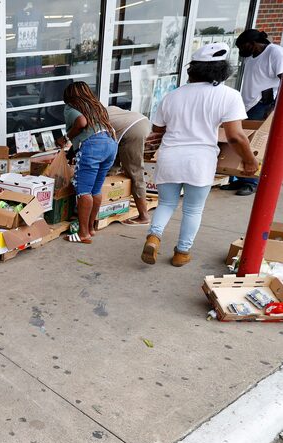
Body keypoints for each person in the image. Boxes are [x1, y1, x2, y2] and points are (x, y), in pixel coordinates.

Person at [142, 42, 258, 267]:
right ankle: (181, 253)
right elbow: (235, 136)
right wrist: (249, 160)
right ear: (223, 70)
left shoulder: (172, 96)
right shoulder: (229, 96)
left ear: (192, 70)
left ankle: (154, 237)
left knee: (166, 203)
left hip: (170, 156)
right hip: (200, 160)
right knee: (193, 209)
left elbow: (157, 131)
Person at [56, 82, 118, 243]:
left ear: (69, 96)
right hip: (110, 145)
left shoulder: (71, 107)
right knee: (95, 189)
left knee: (84, 191)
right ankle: (90, 228)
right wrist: (72, 151)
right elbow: (89, 130)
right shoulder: (96, 106)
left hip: (92, 148)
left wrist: (65, 138)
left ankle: (83, 233)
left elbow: (82, 124)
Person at [224, 29, 283, 195]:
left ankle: (250, 181)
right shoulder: (252, 57)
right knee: (240, 141)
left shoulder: (275, 52)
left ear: (252, 44)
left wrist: (274, 108)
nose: (241, 52)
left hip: (263, 104)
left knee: (253, 142)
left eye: (242, 47)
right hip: (247, 105)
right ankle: (240, 176)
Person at [107, 106, 151, 224]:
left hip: (132, 131)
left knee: (134, 172)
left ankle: (144, 216)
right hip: (142, 121)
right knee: (112, 165)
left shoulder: (90, 119)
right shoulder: (108, 108)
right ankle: (108, 202)